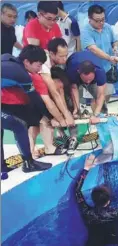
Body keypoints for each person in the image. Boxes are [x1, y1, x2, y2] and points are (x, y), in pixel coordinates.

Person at [1, 45, 52, 179]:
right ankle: (29, 164)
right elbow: (36, 100)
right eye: (38, 65)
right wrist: (51, 117)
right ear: (27, 62)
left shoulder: (7, 58)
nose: (40, 69)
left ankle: (1, 165)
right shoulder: (22, 75)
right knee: (19, 125)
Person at [75, 154, 118, 246]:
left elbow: (77, 190)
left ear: (92, 199)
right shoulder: (115, 213)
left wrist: (86, 168)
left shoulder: (87, 212)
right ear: (108, 201)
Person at [29, 38, 76, 157]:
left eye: (66, 55)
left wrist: (66, 114)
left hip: (37, 89)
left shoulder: (53, 64)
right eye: (61, 56)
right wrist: (62, 118)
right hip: (28, 91)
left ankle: (45, 148)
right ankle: (31, 151)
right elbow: (54, 93)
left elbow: (58, 91)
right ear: (51, 53)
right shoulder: (43, 64)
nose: (64, 59)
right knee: (38, 121)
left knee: (45, 119)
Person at [81, 4, 118, 103]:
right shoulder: (85, 32)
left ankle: (103, 113)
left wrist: (115, 47)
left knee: (108, 93)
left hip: (108, 67)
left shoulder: (107, 27)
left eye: (103, 19)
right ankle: (97, 115)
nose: (101, 22)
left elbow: (115, 41)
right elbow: (93, 49)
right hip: (93, 69)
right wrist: (109, 58)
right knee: (96, 97)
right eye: (97, 20)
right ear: (89, 18)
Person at [66, 50, 108, 124]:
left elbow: (101, 95)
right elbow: (74, 89)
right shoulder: (72, 71)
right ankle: (73, 134)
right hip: (73, 63)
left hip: (93, 73)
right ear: (79, 72)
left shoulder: (100, 72)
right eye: (85, 79)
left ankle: (101, 125)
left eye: (90, 79)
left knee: (99, 104)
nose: (88, 82)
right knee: (71, 105)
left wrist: (96, 114)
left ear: (95, 71)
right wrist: (76, 108)